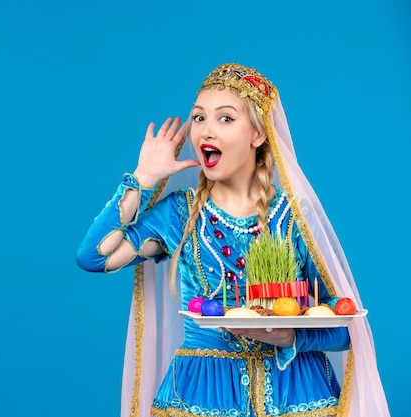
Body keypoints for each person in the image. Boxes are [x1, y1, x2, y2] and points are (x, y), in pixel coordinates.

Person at [76, 63, 390, 417]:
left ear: (258, 134)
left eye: (225, 119)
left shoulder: (293, 217)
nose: (206, 131)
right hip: (202, 394)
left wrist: (293, 338)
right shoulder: (180, 213)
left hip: (297, 392)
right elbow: (95, 257)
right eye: (198, 118)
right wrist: (142, 178)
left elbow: (345, 327)